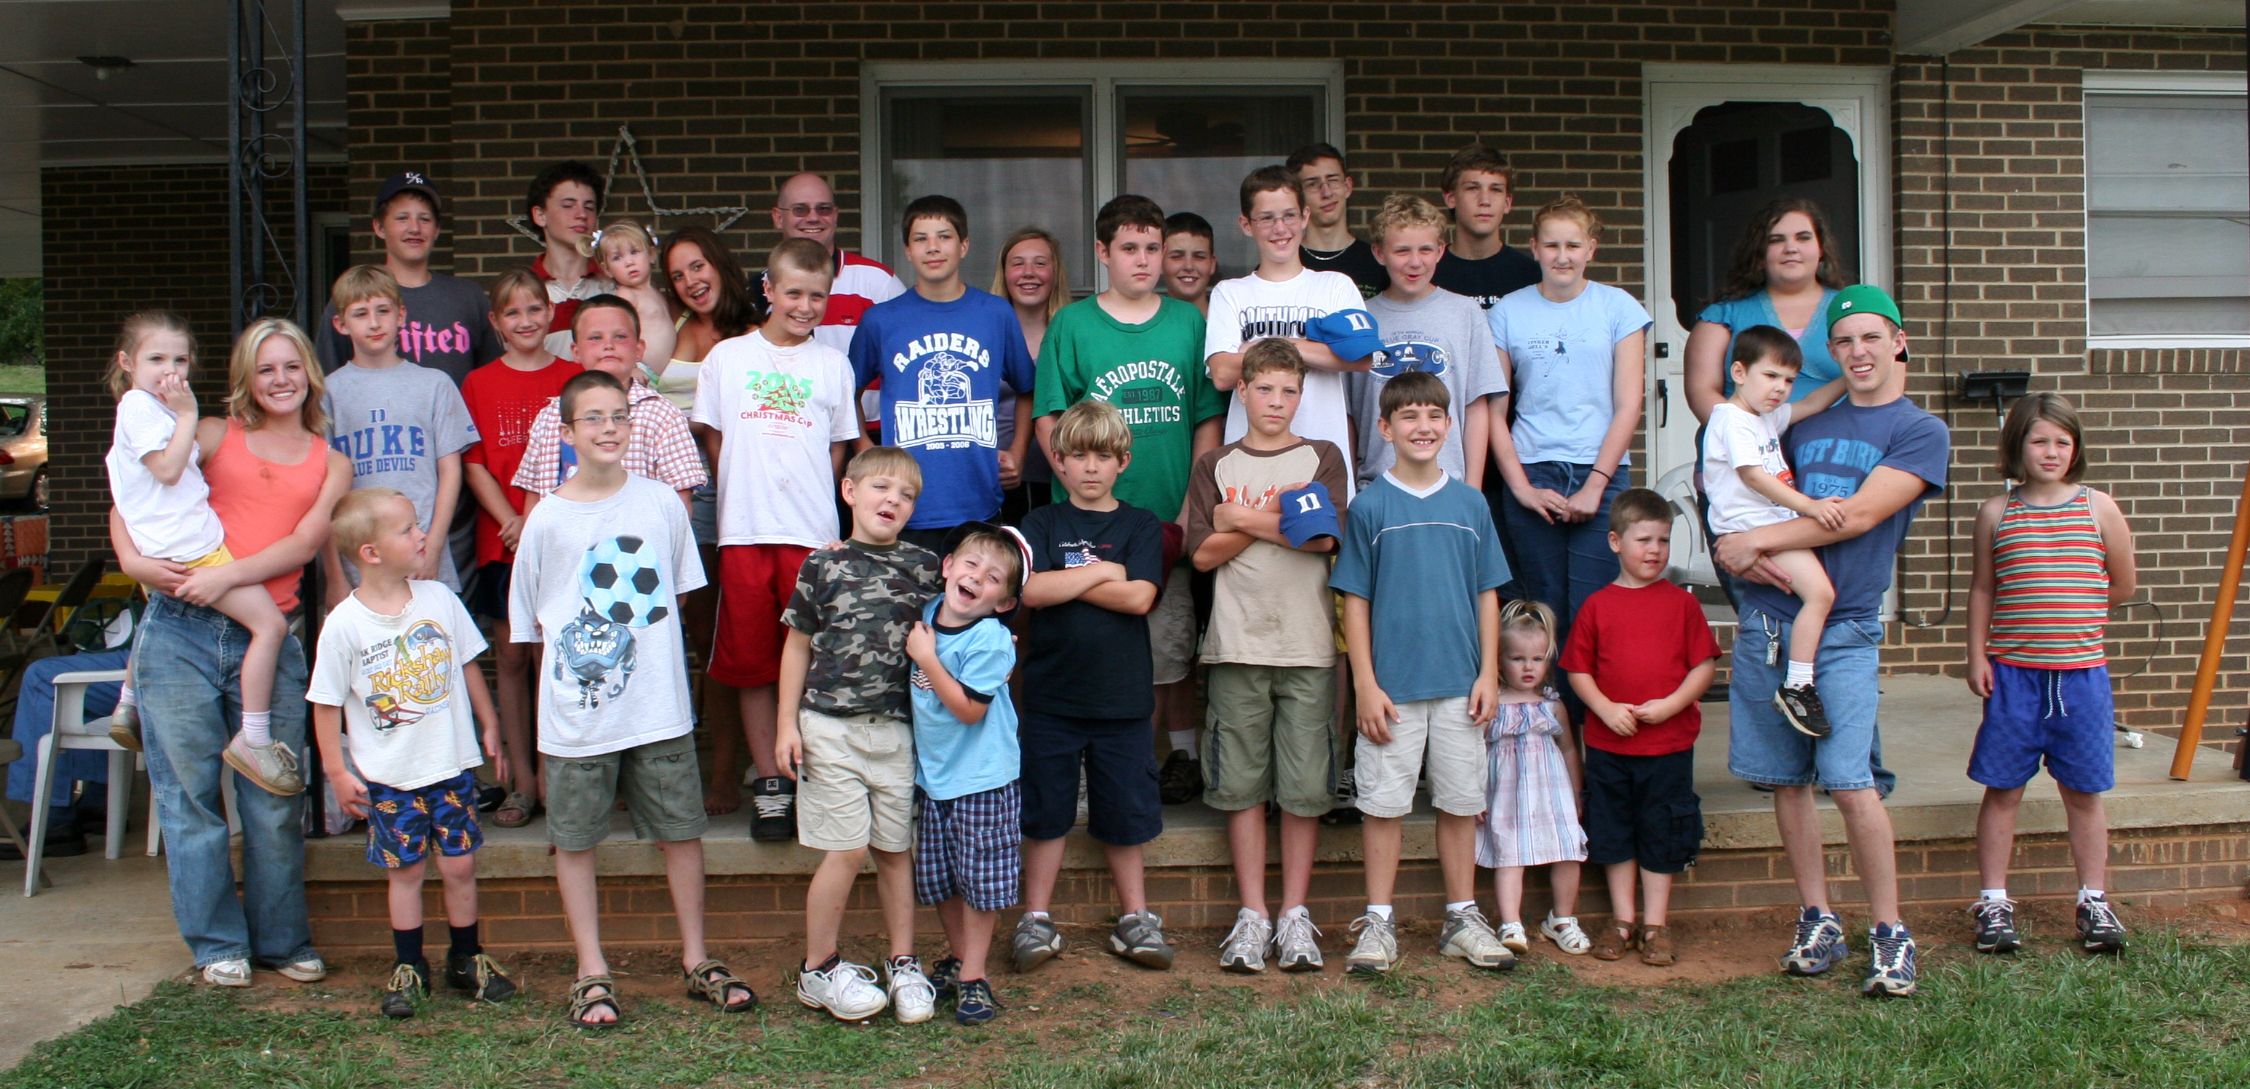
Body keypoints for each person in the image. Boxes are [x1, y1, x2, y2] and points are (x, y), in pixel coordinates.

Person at [1713, 284, 1949, 999]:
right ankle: (1816, 917)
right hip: (1767, 622)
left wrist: (1750, 543)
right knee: (1786, 782)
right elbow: (1739, 480)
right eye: (1843, 341)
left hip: (1842, 628)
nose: (1857, 351)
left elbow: (1859, 516)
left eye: (1871, 336)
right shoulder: (1799, 420)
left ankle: (1890, 930)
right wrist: (1734, 544)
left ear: (1899, 342)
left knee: (1850, 783)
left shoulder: (1920, 430)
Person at [108, 316, 352, 989]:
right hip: (180, 629)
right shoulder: (213, 434)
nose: (280, 379)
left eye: (291, 366)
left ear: (310, 374)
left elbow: (304, 542)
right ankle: (218, 944)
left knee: (272, 801)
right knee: (189, 799)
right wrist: (132, 561)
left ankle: (281, 941)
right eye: (265, 368)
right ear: (246, 377)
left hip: (268, 632)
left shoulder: (331, 462)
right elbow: (132, 496)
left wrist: (227, 577)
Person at [508, 369, 752, 1028]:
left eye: (619, 414)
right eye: (593, 417)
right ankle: (591, 969)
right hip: (578, 719)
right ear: (566, 433)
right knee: (575, 840)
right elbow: (534, 627)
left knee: (682, 832)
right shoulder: (546, 519)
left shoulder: (662, 504)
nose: (609, 427)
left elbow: (678, 595)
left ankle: (696, 956)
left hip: (657, 709)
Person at [1034, 194, 1226, 805]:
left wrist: (1192, 506)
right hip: (1090, 519)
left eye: (1152, 249)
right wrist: (1076, 487)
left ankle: (1176, 756)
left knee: (1169, 646)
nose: (1143, 260)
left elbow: (1207, 417)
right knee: (1091, 639)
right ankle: (1093, 763)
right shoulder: (1073, 324)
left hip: (1166, 513)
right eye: (1129, 248)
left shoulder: (1187, 323)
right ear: (1103, 252)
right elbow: (1049, 416)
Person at [1329, 371, 1513, 975]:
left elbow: (1487, 593)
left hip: (1461, 686)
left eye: (1434, 415)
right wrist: (1365, 683)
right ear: (1385, 428)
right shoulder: (1370, 506)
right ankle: (1379, 922)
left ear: (1450, 424)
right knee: (1383, 806)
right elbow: (1355, 601)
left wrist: (1489, 673)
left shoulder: (1470, 504)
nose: (1423, 426)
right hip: (1393, 690)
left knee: (1460, 802)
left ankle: (1461, 917)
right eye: (1408, 416)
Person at [309, 487, 516, 1018]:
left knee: (460, 865)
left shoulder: (439, 598)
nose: (422, 535)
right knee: (405, 872)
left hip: (449, 766)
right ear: (371, 552)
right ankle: (409, 967)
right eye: (407, 529)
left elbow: (467, 662)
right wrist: (336, 771)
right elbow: (326, 704)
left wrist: (490, 723)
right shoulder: (344, 625)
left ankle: (466, 958)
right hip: (390, 777)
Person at [1185, 339, 1349, 973]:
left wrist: (1240, 518)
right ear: (1243, 391)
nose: (1276, 401)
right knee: (1240, 784)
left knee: (1306, 788)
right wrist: (1280, 518)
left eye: (1289, 391)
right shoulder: (1216, 464)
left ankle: (1294, 914)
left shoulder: (1321, 457)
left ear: (1301, 396)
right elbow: (1202, 555)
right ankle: (1253, 914)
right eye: (1265, 389)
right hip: (1236, 642)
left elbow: (1323, 539)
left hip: (1307, 643)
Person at [692, 238, 859, 844]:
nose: (805, 306)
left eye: (818, 296)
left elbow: (837, 451)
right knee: (753, 664)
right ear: (769, 289)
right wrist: (744, 492)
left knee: (812, 660)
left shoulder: (831, 365)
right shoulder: (728, 359)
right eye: (794, 293)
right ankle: (770, 781)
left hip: (810, 536)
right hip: (744, 531)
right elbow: (715, 441)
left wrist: (816, 512)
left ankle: (813, 775)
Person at [773, 446, 943, 1024]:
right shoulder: (821, 566)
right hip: (829, 728)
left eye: (907, 495)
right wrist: (786, 724)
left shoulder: (925, 567)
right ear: (849, 491)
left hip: (896, 731)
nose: (893, 500)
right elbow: (797, 645)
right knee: (845, 850)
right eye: (881, 488)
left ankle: (903, 964)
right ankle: (819, 968)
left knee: (895, 851)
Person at [1966, 393, 2137, 956]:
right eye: (2039, 440)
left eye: (2063, 441)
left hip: (2081, 677)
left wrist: (2073, 615)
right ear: (2017, 445)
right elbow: (1983, 589)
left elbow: (2123, 582)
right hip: (2014, 677)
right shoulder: (1997, 512)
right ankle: (1993, 902)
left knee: (2084, 792)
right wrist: (1976, 655)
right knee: (2002, 788)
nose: (2051, 451)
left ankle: (2094, 901)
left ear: (2076, 449)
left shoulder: (2098, 507)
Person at [1011, 400, 1175, 974]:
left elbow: (1140, 597)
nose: (1089, 467)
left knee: (1125, 813)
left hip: (1122, 700)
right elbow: (1029, 591)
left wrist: (1067, 581)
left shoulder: (1140, 524)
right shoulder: (1041, 524)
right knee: (1046, 812)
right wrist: (1105, 571)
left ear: (1122, 461)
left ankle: (1135, 918)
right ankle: (1036, 917)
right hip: (1051, 697)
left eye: (1102, 456)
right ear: (1058, 461)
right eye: (1077, 456)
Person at [102, 311, 294, 794]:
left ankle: (129, 701)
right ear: (127, 362)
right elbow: (168, 472)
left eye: (180, 360)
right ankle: (254, 739)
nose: (170, 371)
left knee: (158, 616)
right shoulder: (140, 408)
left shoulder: (152, 410)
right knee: (270, 626)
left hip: (168, 544)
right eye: (156, 359)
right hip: (190, 549)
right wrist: (188, 414)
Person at [1561, 488, 1720, 968]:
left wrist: (1672, 705)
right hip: (1610, 746)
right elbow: (1578, 670)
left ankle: (1655, 924)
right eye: (1644, 540)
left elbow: (1703, 667)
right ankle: (1622, 920)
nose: (1655, 550)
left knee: (1661, 831)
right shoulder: (1597, 606)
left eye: (1663, 540)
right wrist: (1604, 708)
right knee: (1614, 831)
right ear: (1615, 542)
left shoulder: (1682, 605)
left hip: (1668, 747)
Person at [1486, 197, 1649, 649]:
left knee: (1595, 608)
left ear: (1591, 249)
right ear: (1534, 248)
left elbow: (1628, 405)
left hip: (1602, 471)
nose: (1563, 256)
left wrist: (1596, 484)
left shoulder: (1618, 307)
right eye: (1552, 245)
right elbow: (1494, 410)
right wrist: (1521, 488)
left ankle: (1588, 699)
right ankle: (1547, 698)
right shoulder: (1507, 312)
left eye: (1573, 245)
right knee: (1543, 609)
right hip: (1533, 468)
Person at [458, 270, 582, 828]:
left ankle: (556, 778)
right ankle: (520, 782)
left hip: (561, 539)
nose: (526, 320)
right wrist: (512, 520)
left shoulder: (573, 377)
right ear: (495, 322)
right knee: (510, 655)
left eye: (535, 309)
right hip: (502, 537)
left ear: (551, 313)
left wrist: (536, 521)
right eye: (513, 312)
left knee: (551, 656)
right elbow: (474, 462)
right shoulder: (478, 383)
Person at [848, 194, 1037, 550]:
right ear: (907, 250)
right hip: (903, 503)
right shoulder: (881, 320)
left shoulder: (995, 314)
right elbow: (847, 391)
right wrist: (863, 447)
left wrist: (1018, 450)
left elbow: (1027, 387)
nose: (933, 247)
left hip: (978, 498)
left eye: (944, 236)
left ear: (964, 245)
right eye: (921, 238)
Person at [903, 522, 1033, 1025]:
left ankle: (975, 975)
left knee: (980, 882)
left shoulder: (992, 640)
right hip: (935, 777)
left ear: (1004, 602)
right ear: (948, 566)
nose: (977, 577)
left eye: (994, 577)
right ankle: (960, 959)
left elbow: (969, 711)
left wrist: (927, 657)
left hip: (983, 779)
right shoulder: (929, 612)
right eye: (971, 564)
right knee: (940, 880)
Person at [1699, 326, 1849, 737]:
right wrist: (1810, 507)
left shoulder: (1762, 417)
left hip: (1769, 525)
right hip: (1753, 527)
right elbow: (1753, 476)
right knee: (1820, 594)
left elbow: (1814, 403)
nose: (1780, 388)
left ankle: (1796, 680)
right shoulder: (1732, 420)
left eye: (1788, 380)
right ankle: (1798, 685)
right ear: (1739, 372)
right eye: (1770, 376)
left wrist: (1849, 376)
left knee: (1810, 596)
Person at [656, 225, 760, 816]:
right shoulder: (669, 330)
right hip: (674, 498)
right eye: (677, 274)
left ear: (720, 264)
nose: (691, 281)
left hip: (734, 493)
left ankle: (727, 770)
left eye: (698, 266)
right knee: (696, 636)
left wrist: (695, 421)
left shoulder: (753, 333)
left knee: (728, 634)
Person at [323, 265, 479, 595]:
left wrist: (433, 546)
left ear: (401, 315)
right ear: (340, 324)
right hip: (358, 562)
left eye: (383, 310)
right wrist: (334, 576)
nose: (374, 322)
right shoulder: (327, 392)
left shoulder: (434, 384)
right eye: (361, 313)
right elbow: (321, 489)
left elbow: (450, 471)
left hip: (422, 554)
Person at [1205, 165, 1374, 463]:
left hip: (1321, 458)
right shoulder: (1229, 293)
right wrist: (1318, 350)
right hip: (1248, 463)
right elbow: (1222, 373)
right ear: (1246, 224)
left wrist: (1274, 347)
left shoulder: (1335, 286)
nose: (1280, 228)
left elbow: (1360, 358)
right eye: (1266, 218)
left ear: (1305, 216)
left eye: (1289, 216)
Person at [1354, 193, 1506, 491]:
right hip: (1376, 487)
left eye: (1425, 249)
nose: (1415, 262)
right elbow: (1349, 412)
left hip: (1449, 486)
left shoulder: (1466, 313)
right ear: (1379, 253)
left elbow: (1476, 406)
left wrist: (1471, 490)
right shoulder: (1361, 319)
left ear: (1440, 251)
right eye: (1402, 251)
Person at [510, 295, 706, 510]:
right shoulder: (551, 416)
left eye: (620, 337)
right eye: (595, 338)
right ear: (576, 352)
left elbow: (680, 498)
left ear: (639, 349)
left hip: (639, 530)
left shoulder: (662, 415)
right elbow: (534, 496)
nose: (608, 345)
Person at [1477, 599, 1588, 958]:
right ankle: (1511, 922)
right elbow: (1476, 753)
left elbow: (1568, 749)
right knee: (1509, 855)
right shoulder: (1492, 705)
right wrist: (1474, 795)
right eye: (1517, 658)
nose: (1528, 667)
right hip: (1507, 797)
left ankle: (1562, 918)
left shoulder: (1552, 705)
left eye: (1537, 659)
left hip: (1551, 794)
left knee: (1568, 851)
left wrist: (1576, 792)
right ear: (1498, 659)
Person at [314, 171, 502, 384]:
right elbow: (326, 382)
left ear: (437, 229)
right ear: (379, 227)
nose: (415, 228)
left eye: (425, 219)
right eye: (402, 218)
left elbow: (493, 379)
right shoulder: (354, 298)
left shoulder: (469, 297)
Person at [1683, 198, 1849, 425]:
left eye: (1803, 237)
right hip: (1743, 444)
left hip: (1839, 443)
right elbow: (1701, 391)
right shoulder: (1722, 316)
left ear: (1821, 248)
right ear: (1759, 254)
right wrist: (1747, 436)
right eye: (1776, 240)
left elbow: (1885, 379)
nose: (1791, 248)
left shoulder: (1853, 309)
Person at [769, 172, 903, 358]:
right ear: (778, 217)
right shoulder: (761, 289)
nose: (813, 217)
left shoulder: (878, 281)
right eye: (800, 209)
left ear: (835, 215)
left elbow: (907, 352)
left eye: (824, 209)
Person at [990, 227, 1069, 523]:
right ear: (1004, 273)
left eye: (1040, 263)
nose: (1028, 273)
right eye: (1018, 263)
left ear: (1055, 272)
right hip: (997, 477)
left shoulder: (1072, 332)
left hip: (1062, 478)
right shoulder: (984, 332)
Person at [1431, 145, 1540, 311]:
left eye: (1495, 189)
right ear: (1451, 198)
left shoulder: (1533, 275)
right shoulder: (1425, 272)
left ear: (1507, 203)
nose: (1485, 201)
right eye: (1473, 188)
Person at [523, 160, 614, 360]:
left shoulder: (614, 285)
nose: (581, 215)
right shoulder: (523, 290)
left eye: (589, 207)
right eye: (568, 205)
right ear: (540, 215)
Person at [1288, 142, 1389, 300]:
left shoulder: (1379, 262)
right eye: (1313, 184)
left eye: (1333, 180)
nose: (1326, 193)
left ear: (1347, 187)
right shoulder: (1284, 264)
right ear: (1297, 196)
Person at [587, 220, 677, 370]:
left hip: (659, 375)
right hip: (638, 370)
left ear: (651, 255)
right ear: (607, 269)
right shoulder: (626, 295)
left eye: (634, 252)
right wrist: (632, 368)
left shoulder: (655, 292)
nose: (629, 262)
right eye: (617, 258)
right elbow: (614, 334)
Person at [1161, 212, 1218, 316]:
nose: (1189, 266)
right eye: (1177, 256)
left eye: (1199, 257)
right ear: (1159, 263)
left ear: (1212, 264)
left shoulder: (1231, 322)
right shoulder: (1143, 322)